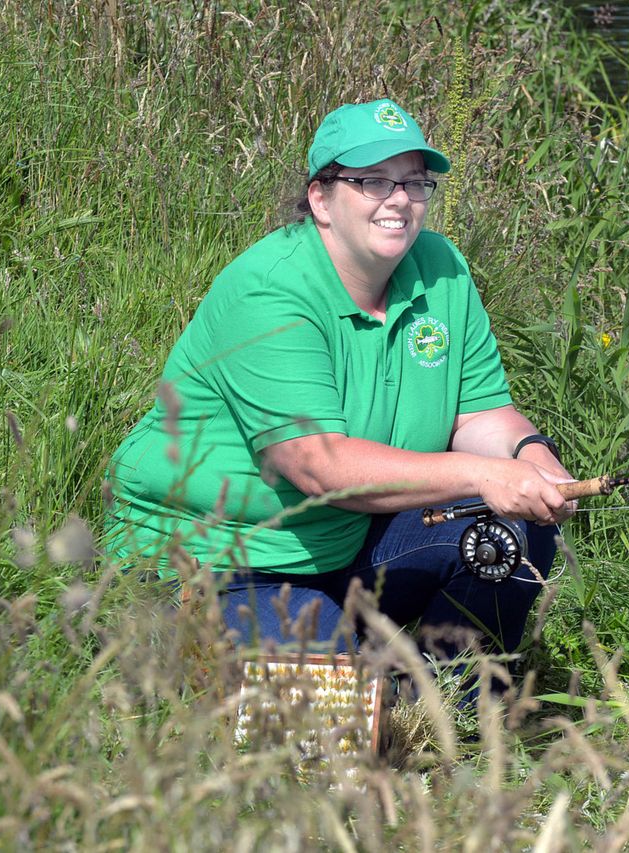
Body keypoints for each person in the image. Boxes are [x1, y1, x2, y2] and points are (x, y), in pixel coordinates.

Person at [106, 98, 574, 667]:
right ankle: (339, 673)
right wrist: (485, 474)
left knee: (513, 532)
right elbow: (315, 465)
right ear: (320, 199)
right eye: (373, 181)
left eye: (414, 182)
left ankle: (459, 716)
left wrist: (529, 457)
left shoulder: (442, 267)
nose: (399, 199)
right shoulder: (271, 291)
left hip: (348, 541)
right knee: (328, 733)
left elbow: (476, 416)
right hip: (223, 556)